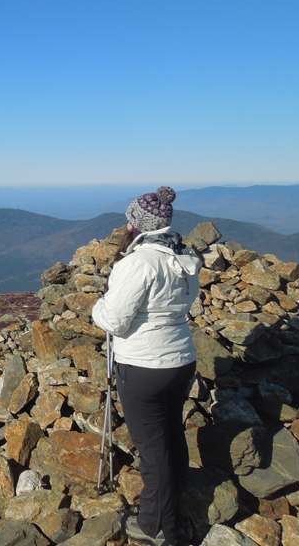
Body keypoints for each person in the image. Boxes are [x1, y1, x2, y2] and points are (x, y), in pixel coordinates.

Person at [91, 186, 202, 546]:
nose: (125, 222)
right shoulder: (183, 257)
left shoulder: (137, 263)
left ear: (139, 225)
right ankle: (174, 509)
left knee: (153, 451)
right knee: (171, 436)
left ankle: (156, 527)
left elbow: (116, 321)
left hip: (143, 366)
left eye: (130, 218)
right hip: (181, 359)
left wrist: (97, 308)